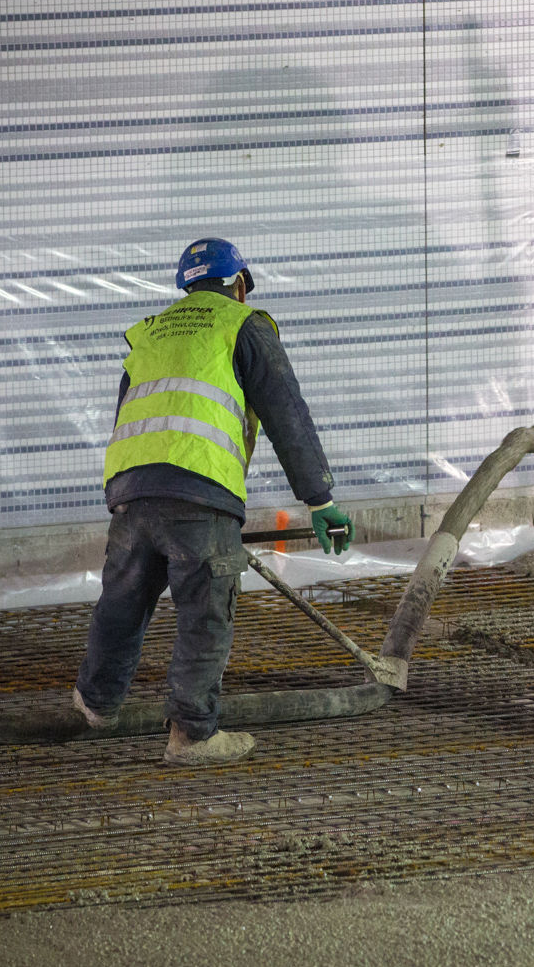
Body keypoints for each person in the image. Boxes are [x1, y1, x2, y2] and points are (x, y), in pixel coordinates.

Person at [71, 236, 353, 766]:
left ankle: (94, 706)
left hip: (131, 488)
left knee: (123, 599)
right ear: (239, 285)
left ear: (187, 285)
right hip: (201, 489)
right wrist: (319, 500)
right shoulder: (242, 325)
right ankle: (192, 735)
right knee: (205, 613)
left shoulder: (151, 332)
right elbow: (285, 411)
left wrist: (131, 489)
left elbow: (126, 412)